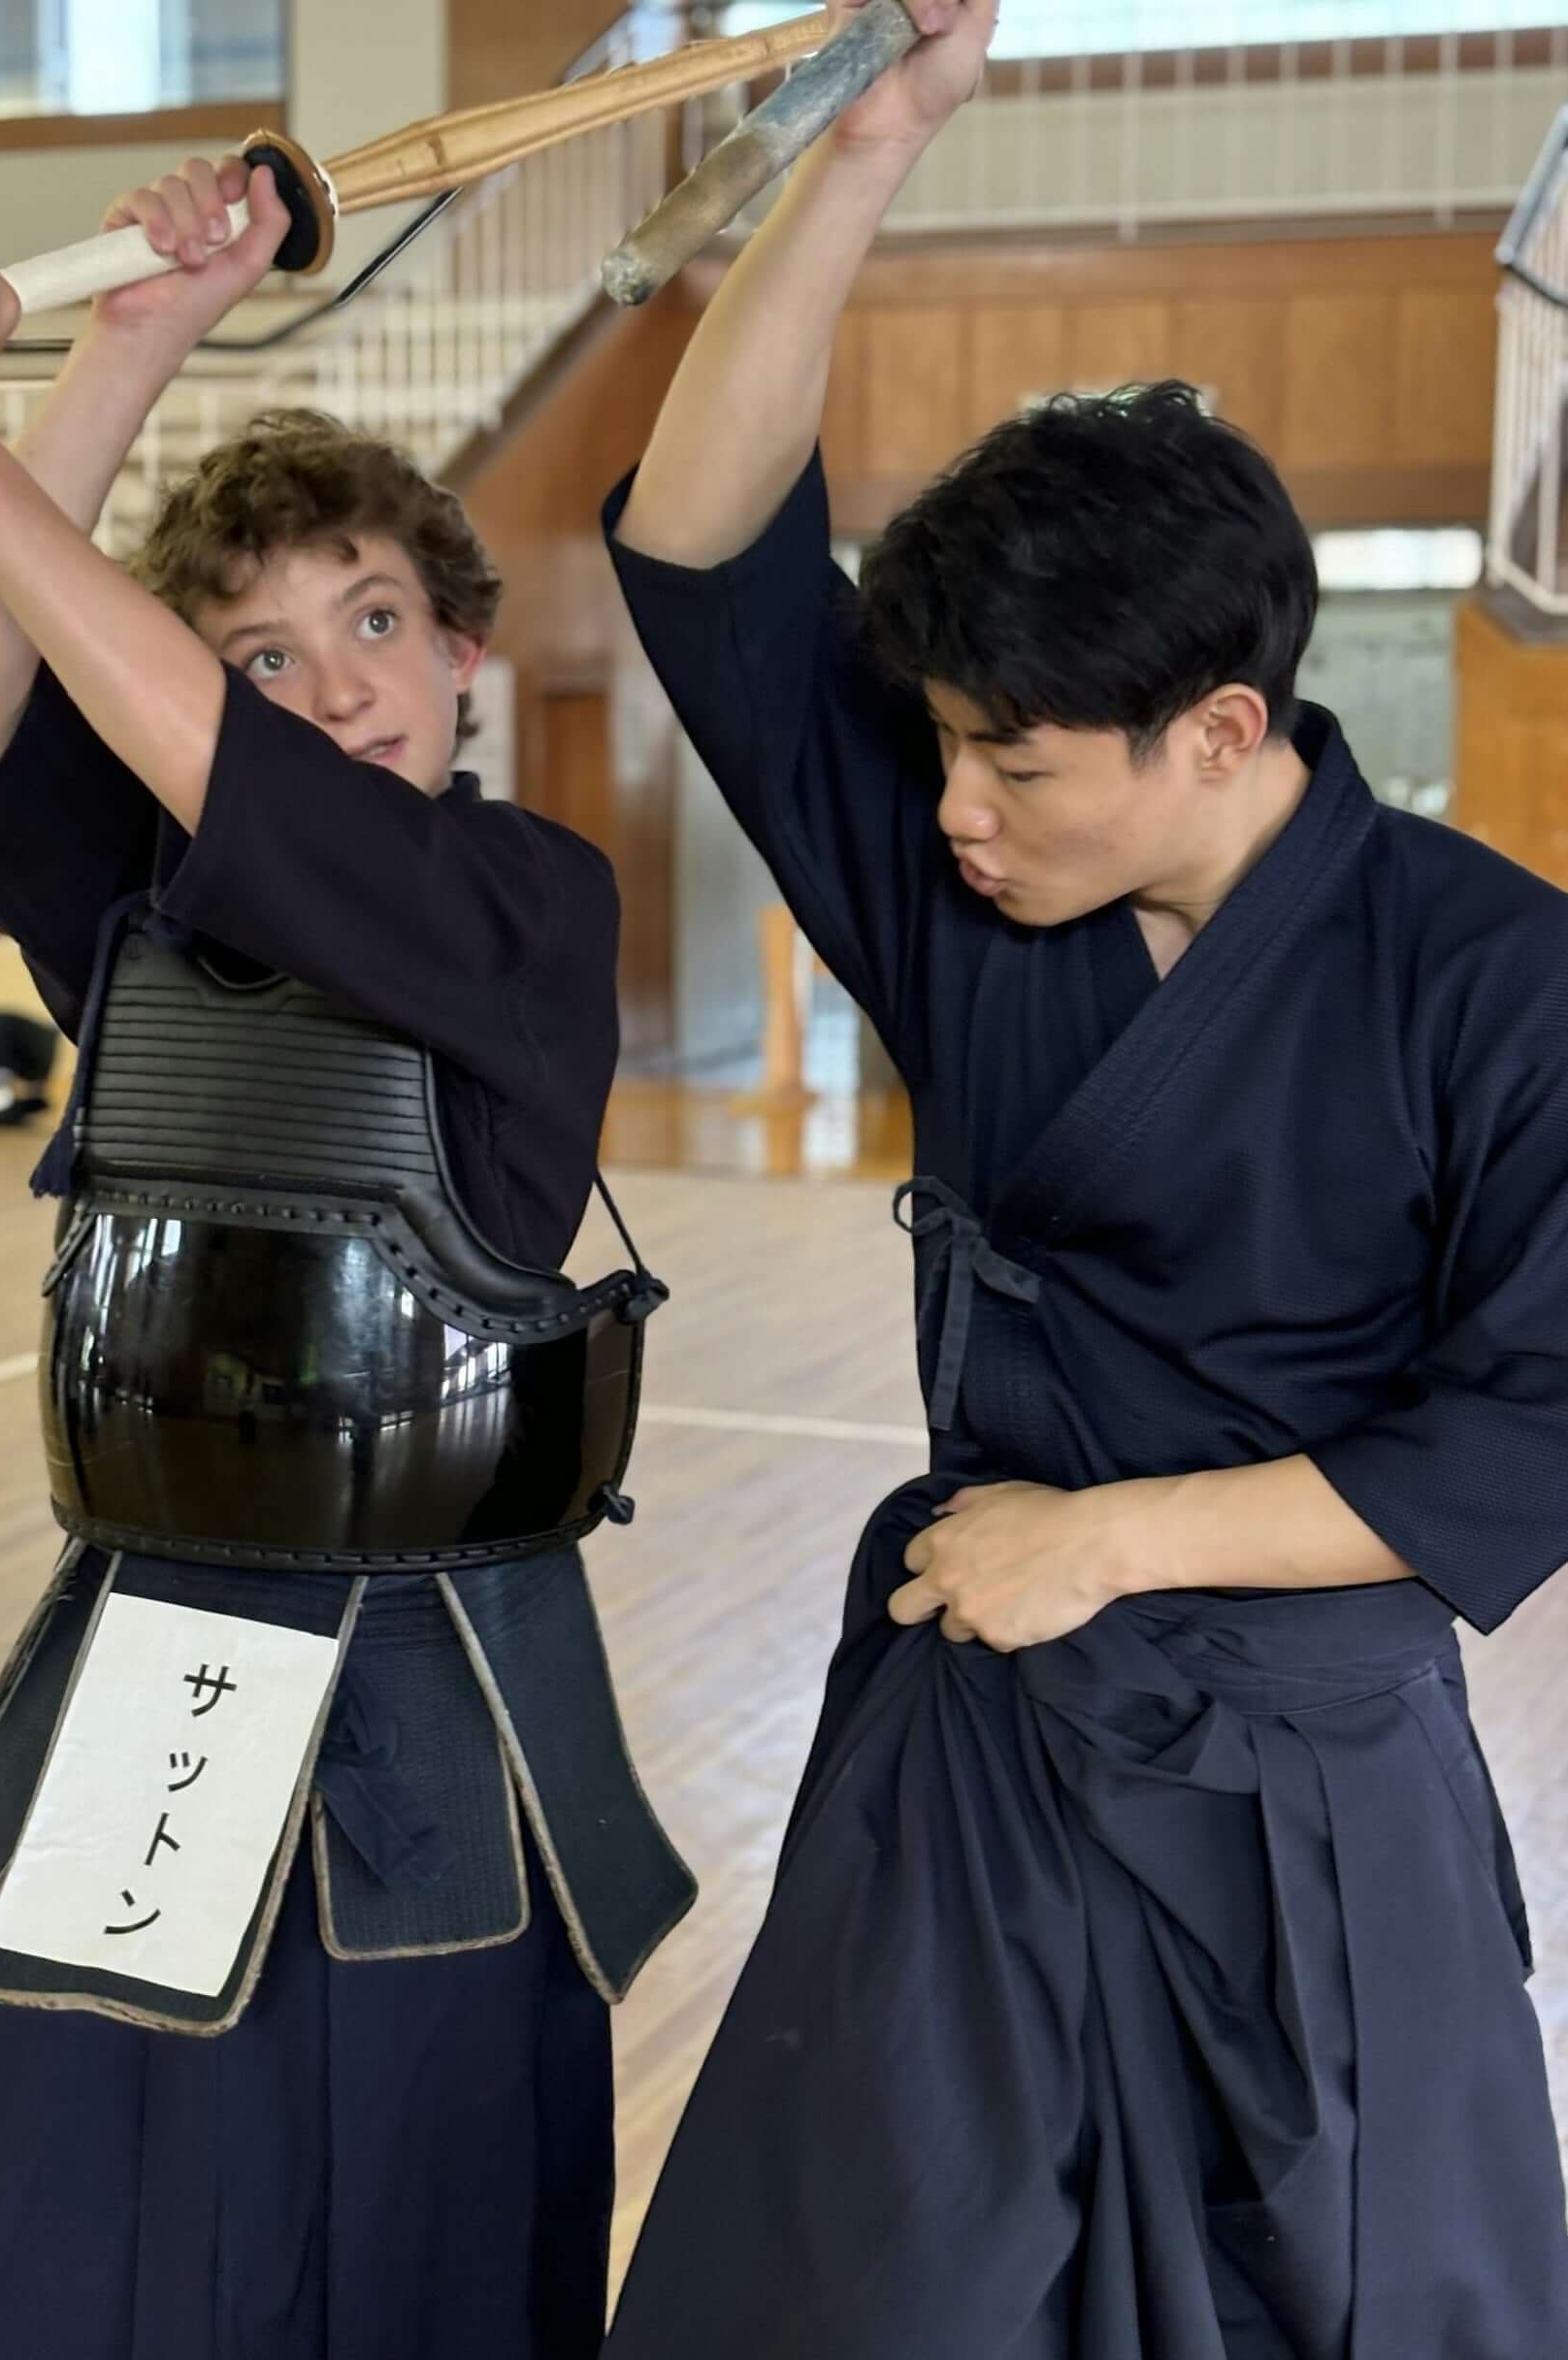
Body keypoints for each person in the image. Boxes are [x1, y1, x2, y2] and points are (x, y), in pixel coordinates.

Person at [601, 3, 1568, 2352]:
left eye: (1009, 765)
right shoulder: (976, 897)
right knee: (869, 2289)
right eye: (938, 748)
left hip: (1303, 1776)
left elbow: (1521, 1432)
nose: (948, 812)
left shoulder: (1489, 971)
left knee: (1331, 2297)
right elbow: (699, 549)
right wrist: (869, 144)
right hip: (983, 1747)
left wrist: (1113, 1536)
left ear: (1218, 731)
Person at [0, 151, 694, 2360]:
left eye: (375, 626)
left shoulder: (525, 910)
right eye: (261, 656)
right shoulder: (167, 919)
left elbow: (234, 781)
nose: (334, 691)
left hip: (422, 1693)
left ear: (467, 653)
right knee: (82, 2232)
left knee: (387, 2247)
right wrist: (133, 343)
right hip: (145, 1659)